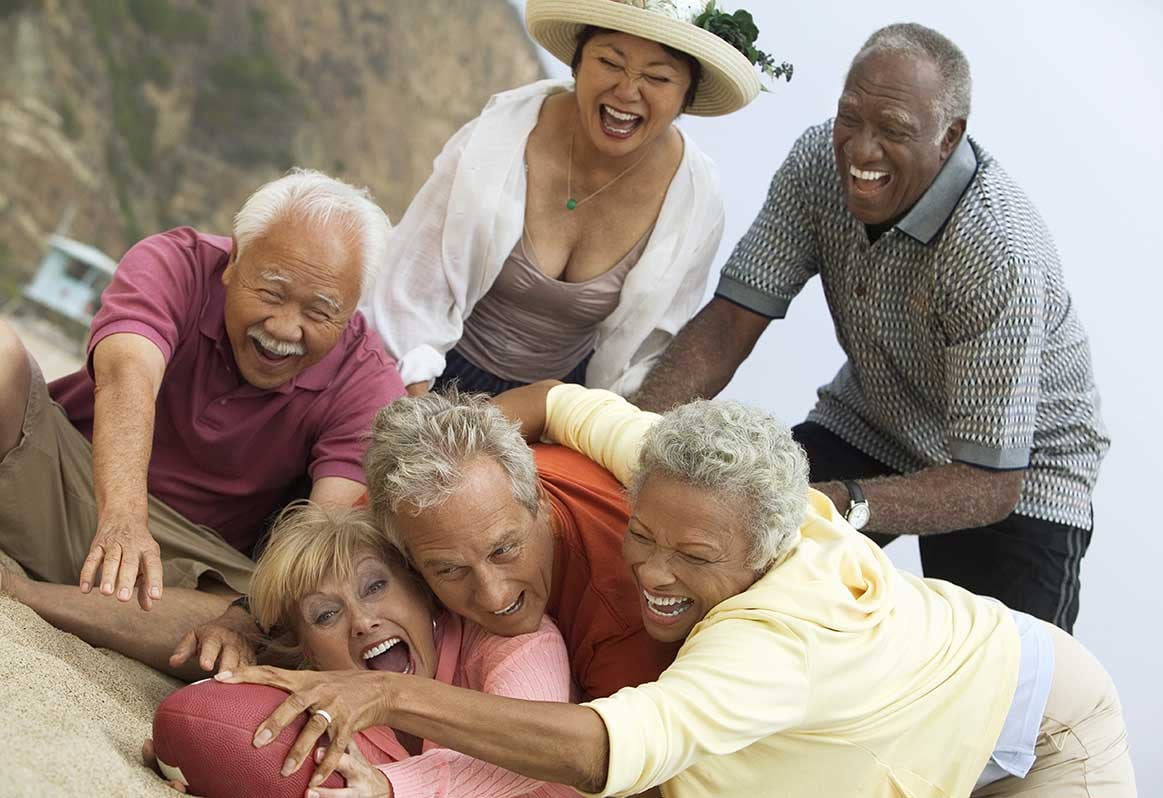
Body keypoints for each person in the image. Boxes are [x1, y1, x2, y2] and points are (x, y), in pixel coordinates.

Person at [222, 383, 1136, 798]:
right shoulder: (676, 480)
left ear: (761, 549)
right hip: (896, 722)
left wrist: (383, 693)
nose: (656, 570)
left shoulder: (760, 638)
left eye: (695, 559)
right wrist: (446, 465)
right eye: (645, 539)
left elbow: (600, 753)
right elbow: (553, 398)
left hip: (1038, 724)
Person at [630, 22, 1109, 632]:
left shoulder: (998, 256)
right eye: (849, 118)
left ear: (949, 137)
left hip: (1014, 477)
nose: (860, 150)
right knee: (738, 560)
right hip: (877, 419)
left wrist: (840, 502)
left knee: (1001, 683)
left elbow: (989, 485)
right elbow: (728, 324)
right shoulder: (815, 163)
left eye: (893, 131)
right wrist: (635, 438)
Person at [0, 169, 405, 677]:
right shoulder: (176, 262)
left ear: (350, 312)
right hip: (65, 471)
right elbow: (128, 375)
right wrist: (123, 518)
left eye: (319, 312)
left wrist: (243, 621)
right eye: (272, 293)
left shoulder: (368, 383)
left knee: (284, 617)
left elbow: (320, 537)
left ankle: (21, 594)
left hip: (190, 569)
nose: (284, 329)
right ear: (234, 260)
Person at [363, 0, 786, 397]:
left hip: (559, 408)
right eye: (609, 62)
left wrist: (581, 432)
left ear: (686, 96)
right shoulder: (499, 138)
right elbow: (409, 299)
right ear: (578, 63)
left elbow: (647, 355)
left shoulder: (694, 201)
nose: (627, 90)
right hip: (426, 373)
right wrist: (416, 416)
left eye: (657, 77)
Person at [146, 503, 574, 798]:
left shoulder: (516, 640)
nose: (362, 621)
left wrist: (388, 787)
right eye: (327, 614)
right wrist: (211, 761)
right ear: (309, 653)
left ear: (423, 590)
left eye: (374, 587)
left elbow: (529, 756)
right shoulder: (326, 705)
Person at [361, 388, 675, 700]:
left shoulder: (626, 629)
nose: (494, 597)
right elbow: (547, 396)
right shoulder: (397, 507)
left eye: (503, 550)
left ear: (539, 498)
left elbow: (583, 746)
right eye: (451, 570)